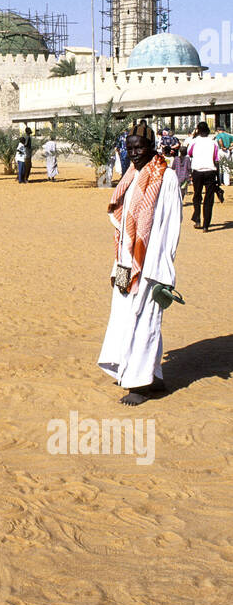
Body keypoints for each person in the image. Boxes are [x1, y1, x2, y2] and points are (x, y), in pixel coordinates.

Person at [97, 120, 182, 405]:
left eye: (139, 147)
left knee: (145, 320)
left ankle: (140, 385)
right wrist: (117, 267)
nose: (134, 153)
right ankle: (153, 376)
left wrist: (163, 268)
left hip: (152, 263)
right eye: (130, 147)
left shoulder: (165, 178)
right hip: (126, 263)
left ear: (152, 147)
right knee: (124, 318)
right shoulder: (132, 176)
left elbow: (170, 227)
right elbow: (124, 228)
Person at [187, 122, 221, 230]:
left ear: (197, 130)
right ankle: (206, 224)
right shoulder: (213, 142)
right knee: (209, 198)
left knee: (197, 195)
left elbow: (189, 153)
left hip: (197, 171)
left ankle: (197, 219)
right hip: (210, 171)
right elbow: (216, 159)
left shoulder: (194, 141)